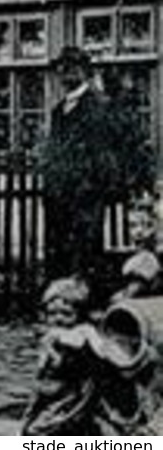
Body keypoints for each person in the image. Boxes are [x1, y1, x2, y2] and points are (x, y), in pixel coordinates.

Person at [40, 46, 154, 290]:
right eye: (61, 68)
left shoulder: (99, 107)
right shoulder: (59, 110)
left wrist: (92, 185)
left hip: (86, 192)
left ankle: (85, 298)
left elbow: (104, 152)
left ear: (83, 71)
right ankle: (61, 300)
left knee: (85, 247)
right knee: (59, 246)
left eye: (71, 68)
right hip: (60, 192)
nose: (64, 74)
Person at [23, 276, 155, 435]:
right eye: (52, 314)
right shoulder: (50, 337)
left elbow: (94, 347)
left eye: (66, 314)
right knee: (34, 427)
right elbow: (43, 371)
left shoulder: (83, 331)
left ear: (79, 314)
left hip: (77, 397)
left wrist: (69, 339)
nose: (58, 319)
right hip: (55, 394)